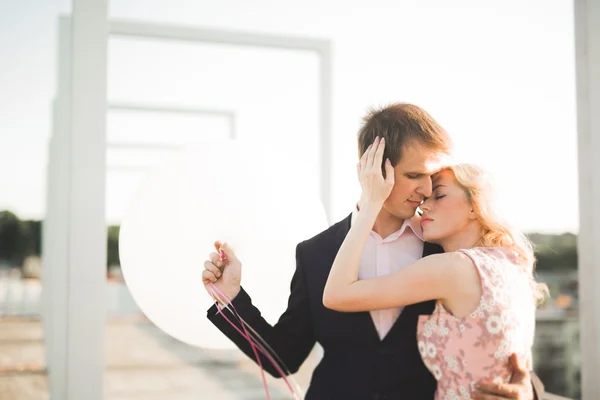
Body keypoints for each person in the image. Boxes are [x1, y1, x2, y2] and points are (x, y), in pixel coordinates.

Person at [202, 103, 545, 399]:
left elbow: (496, 334)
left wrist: (528, 391)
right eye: (415, 175)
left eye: (431, 178)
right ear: (376, 168)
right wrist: (232, 299)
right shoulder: (316, 252)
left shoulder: (445, 247)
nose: (426, 189)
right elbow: (284, 357)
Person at [322, 136, 548, 399]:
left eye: (439, 195)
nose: (423, 206)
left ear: (475, 207)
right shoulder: (511, 262)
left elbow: (336, 294)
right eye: (425, 198)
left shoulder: (452, 268)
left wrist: (371, 203)